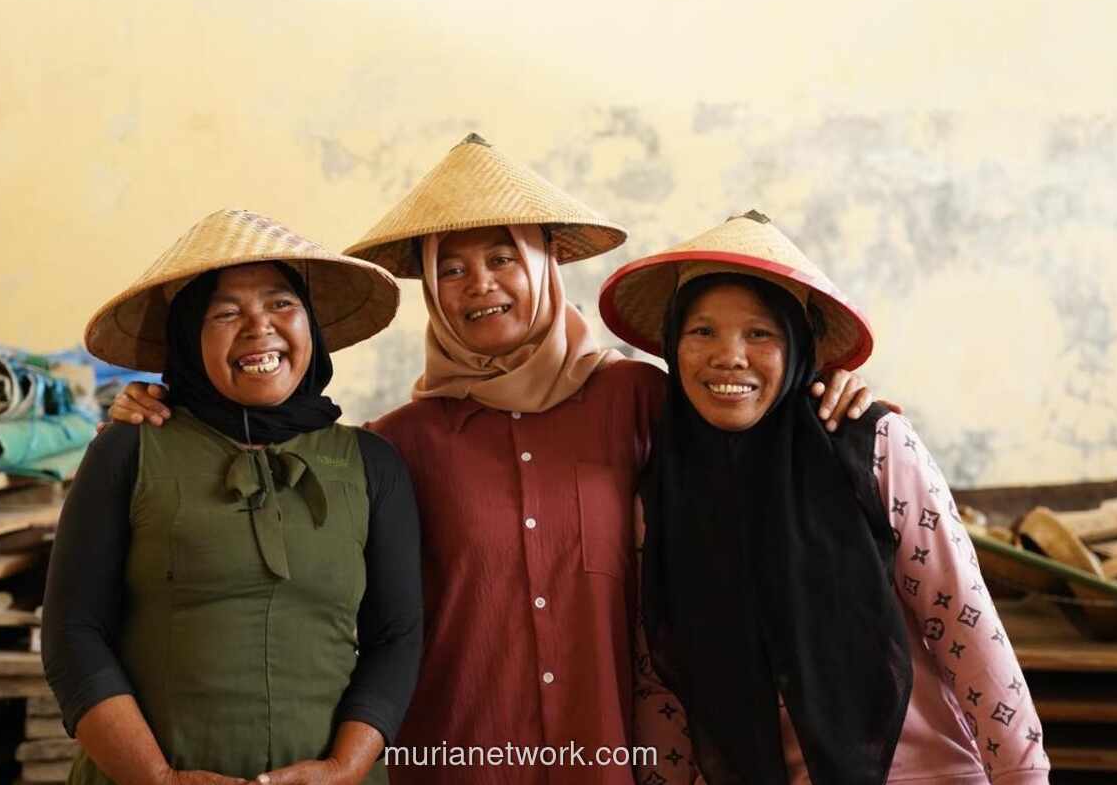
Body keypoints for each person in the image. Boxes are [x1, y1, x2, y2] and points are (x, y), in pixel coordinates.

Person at [107, 138, 876, 784]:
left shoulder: (637, 398)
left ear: (544, 265)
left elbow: (747, 428)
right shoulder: (394, 444)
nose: (478, 284)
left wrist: (834, 398)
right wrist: (160, 410)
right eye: (452, 267)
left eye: (503, 257)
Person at [599, 210, 1049, 784]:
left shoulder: (873, 447)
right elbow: (658, 678)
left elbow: (962, 621)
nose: (729, 356)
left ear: (797, 344)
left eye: (759, 333)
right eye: (702, 331)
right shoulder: (661, 486)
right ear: (673, 344)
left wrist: (1023, 775)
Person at [43, 209, 423, 785]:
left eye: (280, 304)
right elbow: (73, 632)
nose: (258, 327)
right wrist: (156, 778)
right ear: (189, 341)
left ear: (309, 327)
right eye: (225, 313)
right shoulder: (130, 450)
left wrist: (345, 768)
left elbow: (396, 636)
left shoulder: (373, 464)